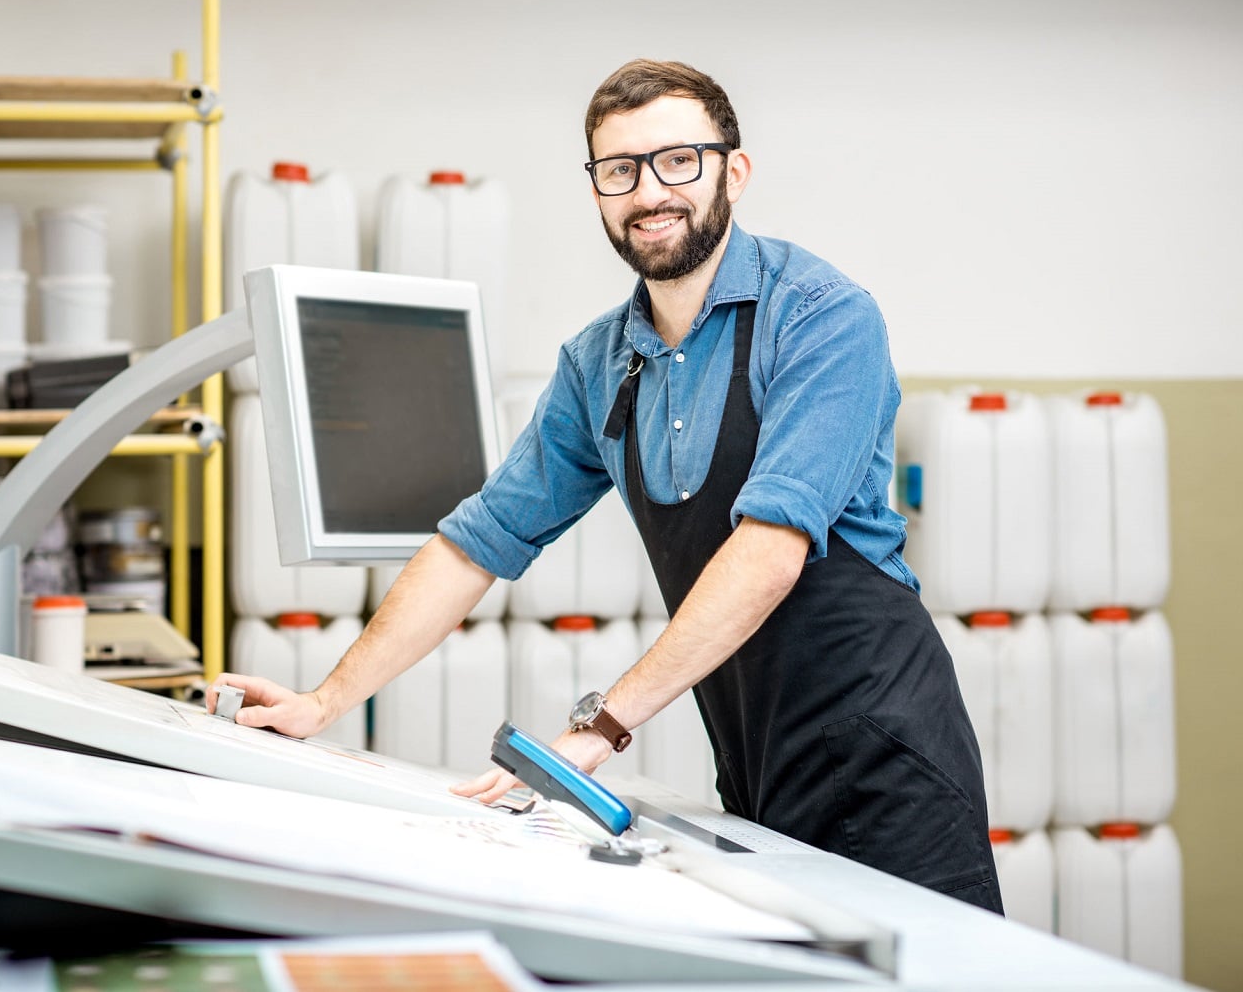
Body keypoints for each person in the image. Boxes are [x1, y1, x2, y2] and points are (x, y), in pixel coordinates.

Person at [216, 59, 1003, 913]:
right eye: (619, 170)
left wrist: (597, 728)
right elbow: (477, 541)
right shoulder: (600, 362)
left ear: (733, 171)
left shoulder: (820, 317)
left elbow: (770, 552)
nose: (649, 192)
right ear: (597, 190)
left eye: (677, 160)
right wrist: (325, 700)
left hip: (884, 749)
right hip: (752, 750)